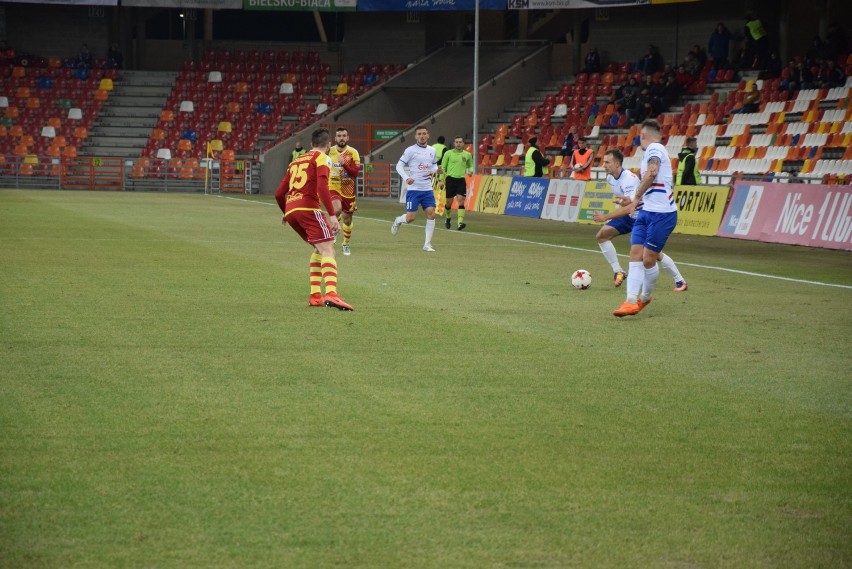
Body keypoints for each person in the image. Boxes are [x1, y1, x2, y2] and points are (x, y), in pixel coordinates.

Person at [274, 128, 353, 311]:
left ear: (311, 144)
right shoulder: (322, 158)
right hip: (308, 208)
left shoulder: (295, 161)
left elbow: (279, 193)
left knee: (319, 248)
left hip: (292, 210)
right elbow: (323, 187)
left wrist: (286, 211)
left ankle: (316, 295)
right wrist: (333, 216)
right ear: (329, 145)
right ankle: (331, 294)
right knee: (328, 248)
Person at [612, 119, 685, 317]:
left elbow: (652, 173)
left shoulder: (655, 148)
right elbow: (650, 183)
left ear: (642, 135)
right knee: (635, 254)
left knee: (648, 259)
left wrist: (634, 198)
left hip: (662, 215)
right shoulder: (650, 153)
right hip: (646, 212)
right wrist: (633, 198)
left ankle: (645, 297)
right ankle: (629, 301)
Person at [593, 149, 688, 291]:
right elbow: (627, 205)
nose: (604, 165)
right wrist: (623, 202)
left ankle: (679, 280)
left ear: (618, 164)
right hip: (629, 216)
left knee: (653, 254)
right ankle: (618, 271)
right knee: (602, 236)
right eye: (603, 162)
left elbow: (631, 206)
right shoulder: (610, 178)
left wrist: (605, 217)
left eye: (607, 162)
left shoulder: (629, 179)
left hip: (642, 216)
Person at [391, 125, 443, 252]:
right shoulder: (410, 150)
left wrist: (438, 170)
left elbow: (433, 167)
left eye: (424, 133)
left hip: (427, 189)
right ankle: (398, 220)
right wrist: (406, 178)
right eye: (419, 134)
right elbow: (399, 166)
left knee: (431, 214)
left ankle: (427, 244)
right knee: (410, 218)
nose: (422, 136)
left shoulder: (432, 151)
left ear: (428, 135)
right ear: (415, 136)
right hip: (414, 189)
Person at [328, 127, 361, 256]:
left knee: (347, 220)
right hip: (333, 185)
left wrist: (344, 164)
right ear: (335, 138)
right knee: (336, 209)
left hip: (348, 189)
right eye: (339, 136)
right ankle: (335, 228)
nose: (341, 138)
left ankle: (346, 243)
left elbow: (355, 173)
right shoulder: (329, 151)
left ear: (347, 138)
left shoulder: (353, 152)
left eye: (344, 135)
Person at [439, 136, 473, 230]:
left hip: (461, 180)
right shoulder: (448, 153)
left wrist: (470, 171)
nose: (458, 143)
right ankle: (448, 218)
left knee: (461, 199)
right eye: (457, 142)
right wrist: (441, 180)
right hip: (450, 179)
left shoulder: (467, 155)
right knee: (448, 203)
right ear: (454, 143)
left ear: (463, 144)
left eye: (460, 142)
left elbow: (470, 165)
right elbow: (443, 167)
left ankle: (460, 223)